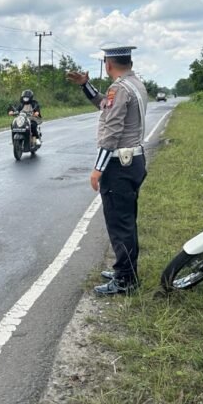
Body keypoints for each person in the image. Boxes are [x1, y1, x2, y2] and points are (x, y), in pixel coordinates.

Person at [67, 46, 147, 295]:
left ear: (108, 64)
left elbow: (112, 132)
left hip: (118, 165)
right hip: (133, 162)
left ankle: (125, 279)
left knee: (119, 222)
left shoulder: (119, 88)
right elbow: (105, 105)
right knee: (126, 219)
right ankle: (126, 269)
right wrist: (85, 85)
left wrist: (97, 169)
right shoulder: (134, 84)